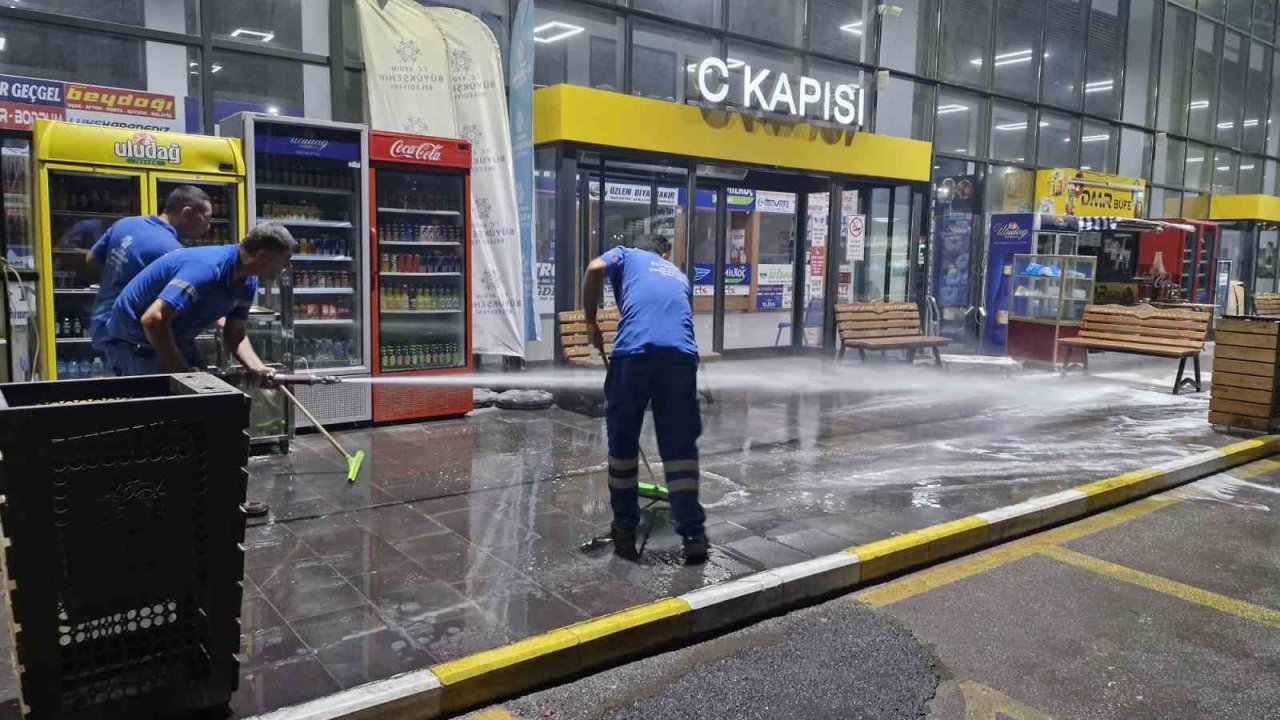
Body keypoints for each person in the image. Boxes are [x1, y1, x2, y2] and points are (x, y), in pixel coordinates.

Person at [583, 234, 707, 565]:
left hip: (633, 356)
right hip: (681, 359)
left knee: (623, 447)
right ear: (665, 254)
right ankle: (693, 535)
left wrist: (591, 323)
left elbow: (594, 268)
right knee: (680, 451)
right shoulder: (677, 274)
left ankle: (625, 529)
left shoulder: (625, 254)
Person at [104, 223, 295, 378]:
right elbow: (153, 319)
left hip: (177, 338)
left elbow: (235, 333)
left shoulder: (248, 280)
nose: (287, 266)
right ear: (262, 256)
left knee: (200, 404)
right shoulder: (207, 268)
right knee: (158, 408)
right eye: (285, 259)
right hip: (137, 341)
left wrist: (258, 369)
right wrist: (182, 372)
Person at [85, 185, 212, 351]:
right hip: (130, 334)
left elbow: (91, 259)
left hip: (101, 322)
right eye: (207, 218)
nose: (208, 226)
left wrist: (119, 275)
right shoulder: (172, 251)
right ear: (186, 213)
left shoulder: (124, 224)